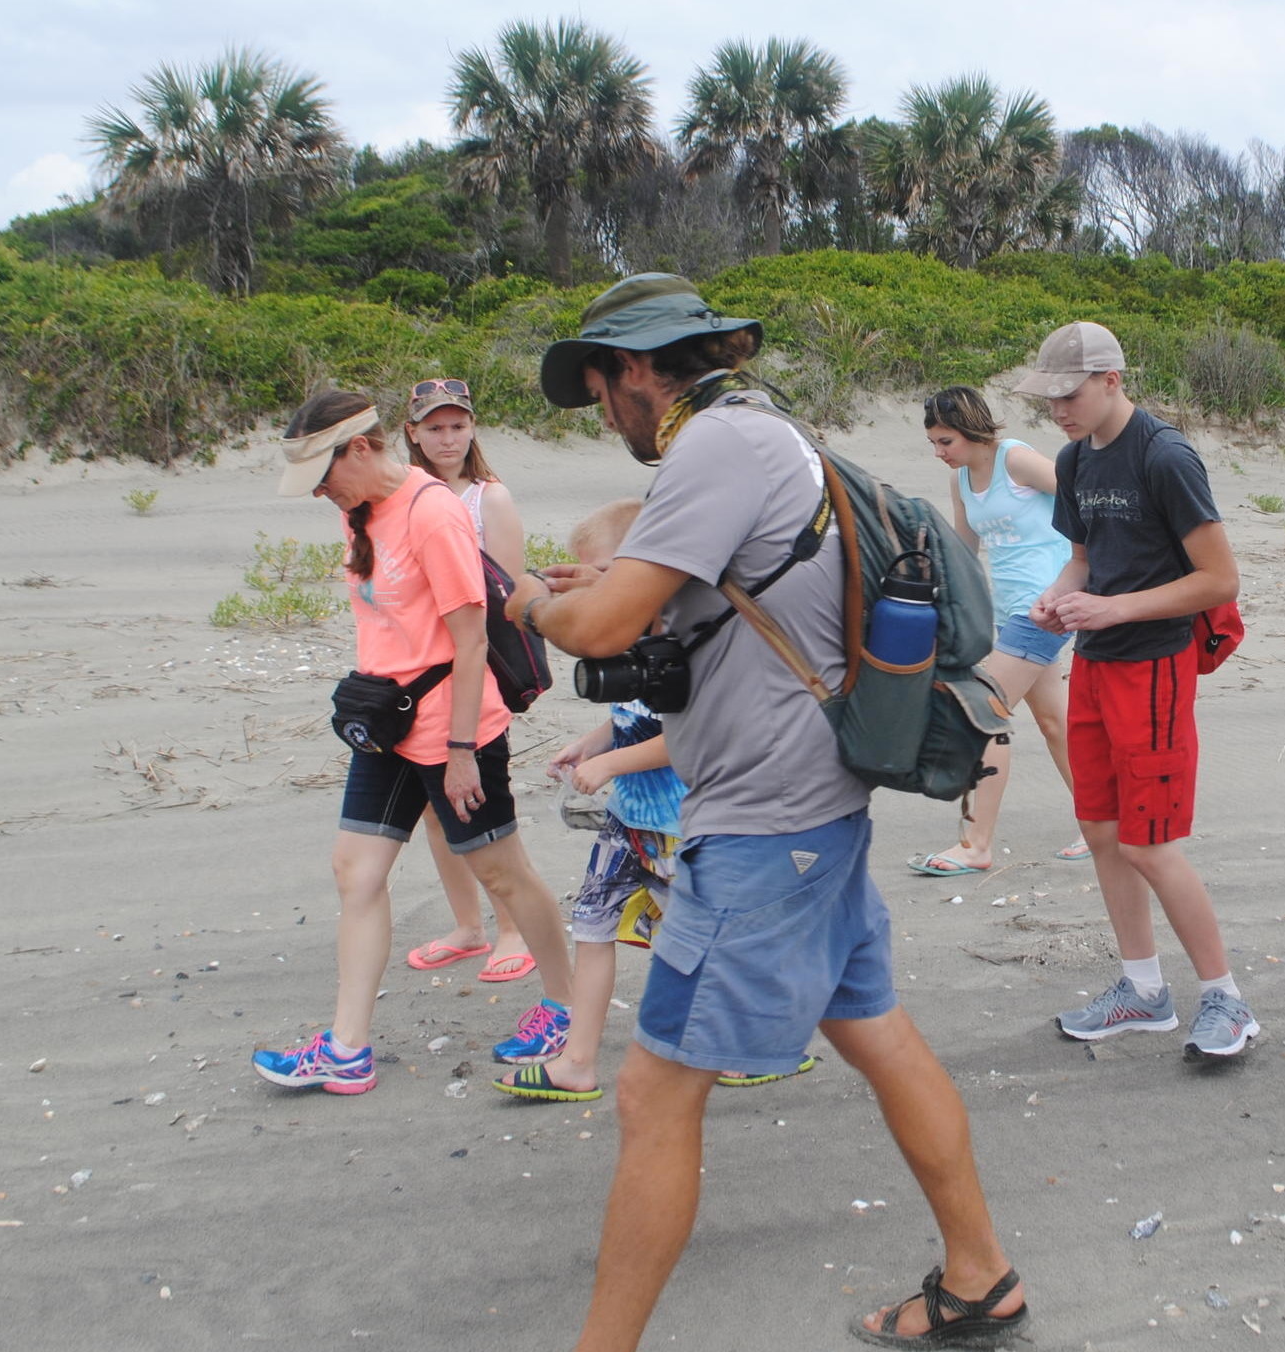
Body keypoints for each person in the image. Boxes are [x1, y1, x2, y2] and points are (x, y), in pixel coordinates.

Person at [510, 274, 1025, 1351]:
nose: (605, 410)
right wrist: (596, 591)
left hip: (762, 828)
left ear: (641, 367)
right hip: (810, 812)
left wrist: (533, 600)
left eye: (602, 384)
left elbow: (602, 626)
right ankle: (979, 1274)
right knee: (875, 1031)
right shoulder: (767, 432)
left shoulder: (715, 446)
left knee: (653, 1096)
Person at [251, 390, 575, 1096]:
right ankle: (345, 1050)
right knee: (355, 872)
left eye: (323, 476)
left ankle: (565, 1007)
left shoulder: (434, 515)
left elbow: (469, 641)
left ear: (360, 450)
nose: (320, 494)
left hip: (455, 729)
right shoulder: (359, 510)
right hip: (388, 723)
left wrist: (461, 751)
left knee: (502, 874)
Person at [489, 499, 817, 1102]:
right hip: (626, 821)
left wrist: (611, 764)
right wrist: (592, 743)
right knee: (593, 926)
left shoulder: (689, 639)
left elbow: (694, 737)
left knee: (713, 941)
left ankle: (767, 1040)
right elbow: (633, 719)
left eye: (608, 576)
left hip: (681, 822)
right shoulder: (624, 643)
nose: (596, 592)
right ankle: (576, 1063)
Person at [1017, 322, 1257, 1060]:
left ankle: (1226, 1000)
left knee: (1150, 845)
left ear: (1113, 381)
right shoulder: (1072, 458)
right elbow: (1084, 559)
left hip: (1153, 666)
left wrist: (1115, 608)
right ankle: (1143, 990)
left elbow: (1219, 580)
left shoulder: (1164, 455)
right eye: (1048, 396)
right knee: (1101, 832)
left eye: (1071, 393)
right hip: (1093, 661)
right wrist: (1057, 598)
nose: (1058, 409)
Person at [907, 386, 1085, 876]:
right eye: (934, 444)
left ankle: (975, 844)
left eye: (946, 442)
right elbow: (964, 552)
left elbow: (1083, 499)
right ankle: (1102, 822)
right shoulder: (963, 480)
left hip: (1045, 607)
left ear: (972, 431)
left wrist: (1080, 570)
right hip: (1008, 613)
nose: (940, 453)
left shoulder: (1017, 460)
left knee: (982, 713)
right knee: (1055, 724)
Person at [399, 377, 538, 985]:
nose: (447, 437)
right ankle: (468, 926)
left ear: (473, 429)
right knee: (434, 811)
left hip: (470, 669)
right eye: (434, 427)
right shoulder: (402, 496)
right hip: (417, 676)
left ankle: (514, 929)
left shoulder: (488, 499)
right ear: (412, 433)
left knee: (480, 805)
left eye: (457, 426)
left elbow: (505, 596)